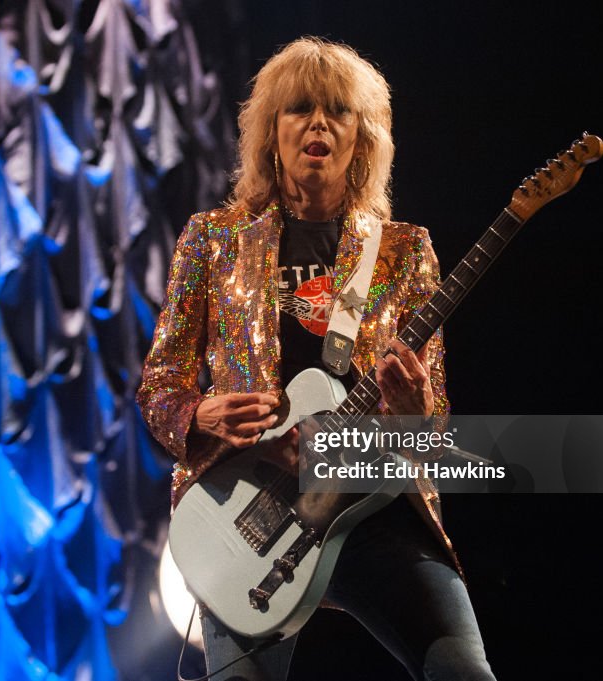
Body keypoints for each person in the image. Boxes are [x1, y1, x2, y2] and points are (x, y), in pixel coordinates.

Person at [137, 37, 496, 680]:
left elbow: (431, 429)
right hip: (251, 512)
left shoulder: (403, 251)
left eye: (339, 111)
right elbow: (160, 386)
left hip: (372, 512)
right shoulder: (213, 241)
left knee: (465, 672)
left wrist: (413, 412)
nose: (319, 123)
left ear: (363, 138)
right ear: (270, 133)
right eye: (299, 108)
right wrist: (202, 414)